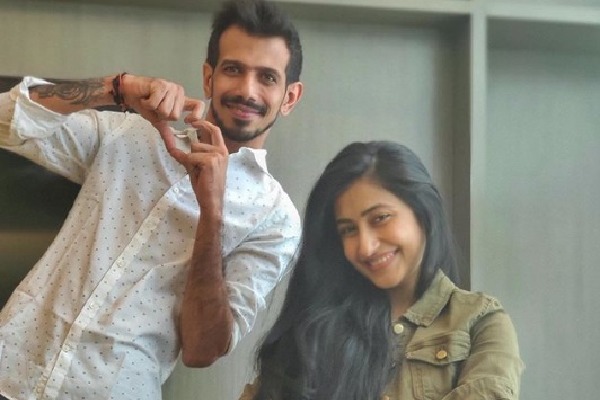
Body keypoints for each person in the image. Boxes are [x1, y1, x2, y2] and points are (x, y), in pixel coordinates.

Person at [0, 0, 304, 399]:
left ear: (289, 97)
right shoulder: (130, 135)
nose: (247, 90)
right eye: (233, 70)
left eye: (267, 77)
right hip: (10, 370)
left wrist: (212, 211)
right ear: (209, 78)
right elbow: (6, 120)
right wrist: (117, 88)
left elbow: (203, 349)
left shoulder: (275, 220)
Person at [240, 141, 524, 400]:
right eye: (348, 230)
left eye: (380, 218)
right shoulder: (311, 330)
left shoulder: (479, 322)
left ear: (423, 211)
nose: (366, 247)